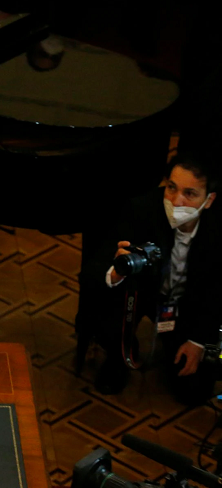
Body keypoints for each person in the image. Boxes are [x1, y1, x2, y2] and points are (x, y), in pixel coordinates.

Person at [89, 150, 220, 404]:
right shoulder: (141, 209)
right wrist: (116, 271)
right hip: (139, 293)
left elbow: (217, 290)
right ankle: (119, 355)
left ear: (210, 199)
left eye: (190, 194)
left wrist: (198, 340)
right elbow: (95, 270)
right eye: (171, 188)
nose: (176, 201)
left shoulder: (218, 229)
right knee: (108, 318)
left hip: (186, 303)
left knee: (193, 391)